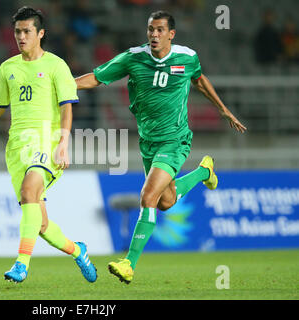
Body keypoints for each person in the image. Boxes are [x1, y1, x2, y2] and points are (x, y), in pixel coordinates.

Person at [75, 10, 247, 284]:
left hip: (175, 140)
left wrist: (223, 110)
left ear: (171, 34)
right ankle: (204, 172)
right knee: (166, 202)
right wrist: (64, 87)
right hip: (148, 143)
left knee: (148, 196)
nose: (154, 35)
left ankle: (128, 263)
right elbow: (96, 77)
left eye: (159, 30)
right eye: (150, 30)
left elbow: (199, 80)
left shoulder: (187, 57)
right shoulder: (133, 57)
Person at [0, 6, 97, 283]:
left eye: (27, 31)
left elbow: (67, 108)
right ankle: (77, 250)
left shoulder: (57, 66)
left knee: (29, 188)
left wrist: (63, 144)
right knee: (41, 224)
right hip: (17, 148)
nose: (21, 36)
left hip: (47, 142)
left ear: (40, 33)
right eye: (18, 31)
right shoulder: (8, 68)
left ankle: (21, 265)